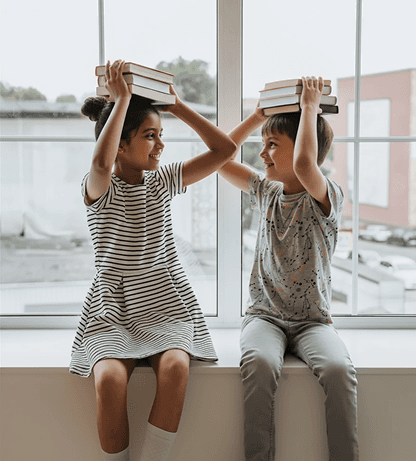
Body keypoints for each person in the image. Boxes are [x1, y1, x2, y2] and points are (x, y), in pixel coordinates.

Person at [69, 60, 236, 461]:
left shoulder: (161, 180)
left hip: (164, 301)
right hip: (114, 306)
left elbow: (225, 150)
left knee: (177, 367)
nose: (160, 145)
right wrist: (123, 99)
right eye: (150, 135)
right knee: (109, 379)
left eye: (161, 135)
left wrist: (175, 106)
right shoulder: (99, 187)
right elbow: (100, 164)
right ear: (121, 143)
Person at [217, 76, 359, 461]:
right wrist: (257, 118)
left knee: (338, 371)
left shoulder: (326, 197)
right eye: (263, 145)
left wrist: (310, 106)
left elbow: (304, 164)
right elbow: (219, 160)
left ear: (305, 150)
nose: (262, 154)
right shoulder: (266, 192)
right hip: (265, 317)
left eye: (271, 145)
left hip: (314, 321)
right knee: (259, 364)